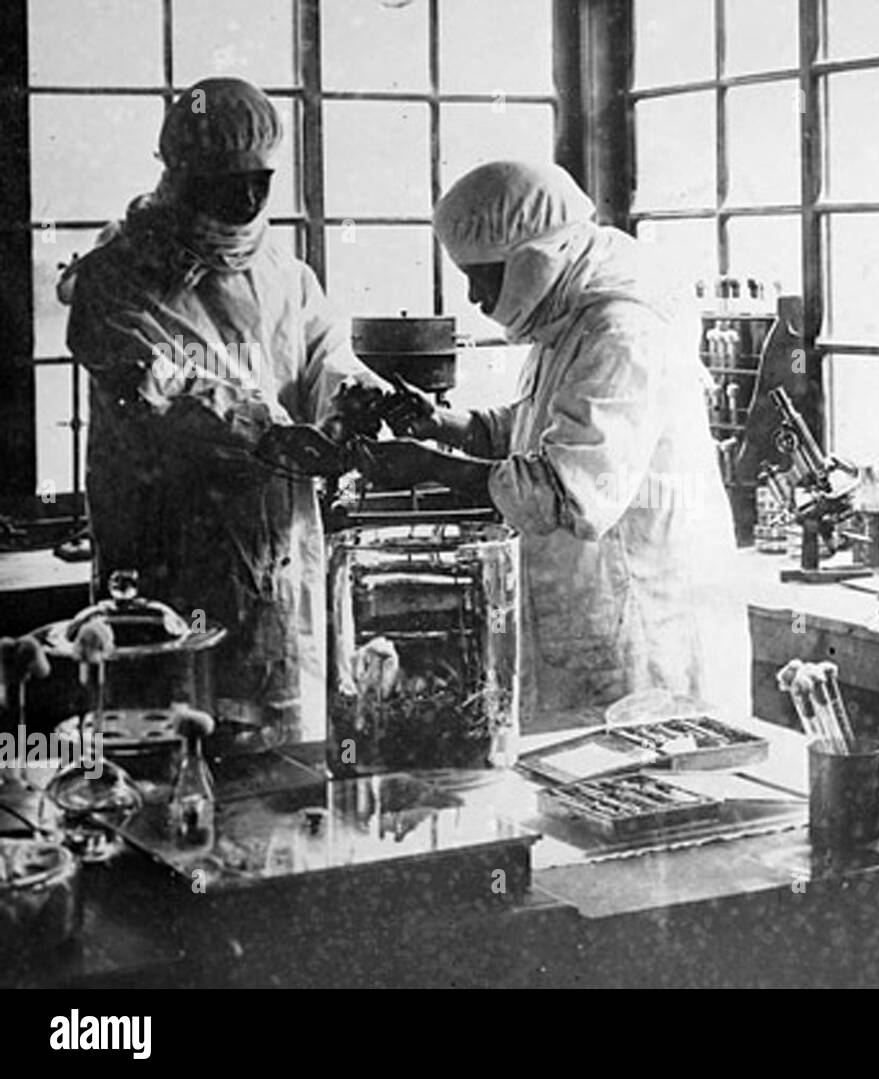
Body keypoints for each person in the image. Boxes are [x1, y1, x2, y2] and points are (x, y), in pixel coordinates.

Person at [359, 160, 751, 730]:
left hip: (643, 635)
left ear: (531, 261)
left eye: (481, 277)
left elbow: (567, 488)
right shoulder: (571, 316)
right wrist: (444, 423)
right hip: (596, 613)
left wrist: (429, 466)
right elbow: (536, 429)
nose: (474, 297)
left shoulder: (623, 330)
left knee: (635, 788)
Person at [63, 77, 390, 746]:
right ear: (180, 174)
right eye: (225, 182)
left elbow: (326, 355)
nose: (245, 199)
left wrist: (350, 396)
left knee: (282, 761)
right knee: (174, 752)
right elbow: (167, 391)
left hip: (282, 553)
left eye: (260, 181)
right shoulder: (116, 280)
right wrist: (271, 435)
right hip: (167, 560)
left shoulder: (284, 276)